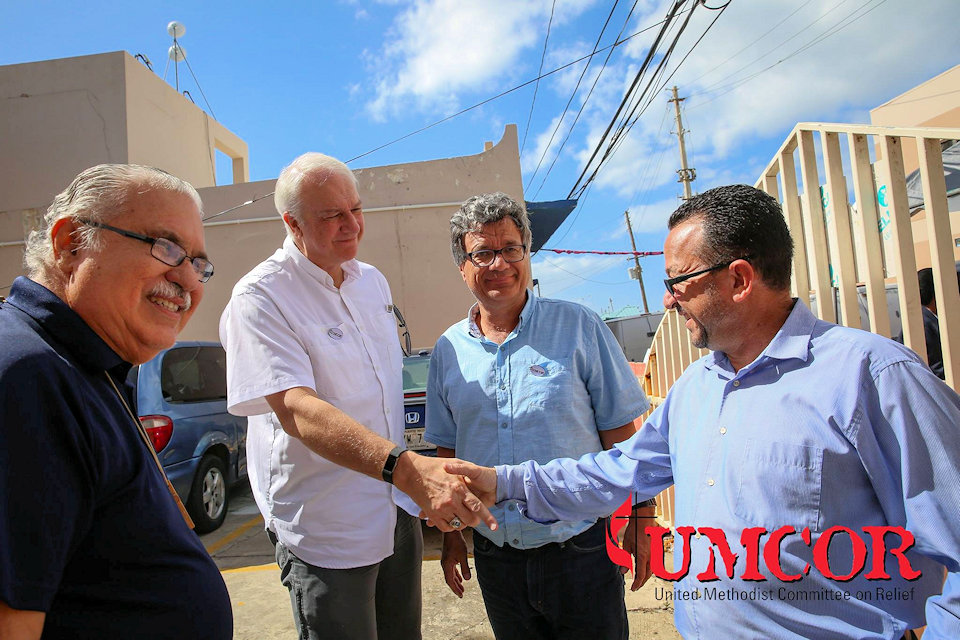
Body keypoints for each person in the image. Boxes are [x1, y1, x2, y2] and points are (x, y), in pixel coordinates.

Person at [446, 185, 960, 640]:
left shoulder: (872, 379)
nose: (668, 302)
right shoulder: (696, 388)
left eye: (677, 282)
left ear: (739, 279)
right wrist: (502, 482)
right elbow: (617, 471)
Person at [219, 152, 494, 640]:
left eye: (356, 209)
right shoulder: (259, 298)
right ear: (292, 223)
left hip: (393, 508)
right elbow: (298, 410)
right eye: (332, 216)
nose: (352, 225)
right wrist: (409, 470)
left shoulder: (372, 282)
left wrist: (406, 481)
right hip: (326, 524)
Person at [0, 164, 231, 639]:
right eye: (167, 248)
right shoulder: (27, 376)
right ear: (71, 245)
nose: (188, 281)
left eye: (198, 263)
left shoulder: (84, 364)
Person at [424, 192, 654, 639]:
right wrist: (452, 534)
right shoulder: (448, 351)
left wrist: (643, 519)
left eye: (511, 249)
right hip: (496, 558)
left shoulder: (580, 327)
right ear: (463, 266)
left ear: (527, 253)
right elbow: (446, 454)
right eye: (483, 253)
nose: (499, 264)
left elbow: (624, 440)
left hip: (582, 551)